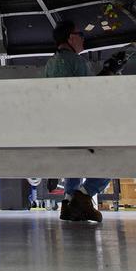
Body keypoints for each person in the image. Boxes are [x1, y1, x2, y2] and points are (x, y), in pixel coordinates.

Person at [44, 21, 108, 222]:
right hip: (80, 122)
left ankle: (69, 203)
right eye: (80, 34)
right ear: (71, 37)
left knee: (74, 162)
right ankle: (84, 195)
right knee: (113, 158)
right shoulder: (77, 62)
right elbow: (88, 94)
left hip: (59, 125)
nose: (83, 38)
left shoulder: (51, 63)